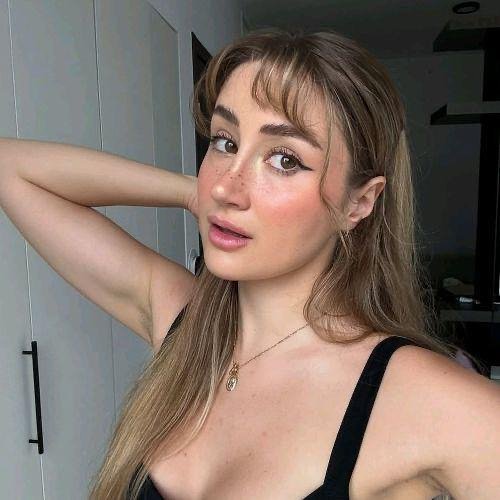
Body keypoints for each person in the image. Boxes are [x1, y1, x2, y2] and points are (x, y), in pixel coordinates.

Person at [0, 27, 498, 500]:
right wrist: (191, 194)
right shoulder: (186, 329)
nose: (226, 186)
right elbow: (11, 169)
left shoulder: (432, 402)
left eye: (285, 159)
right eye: (225, 142)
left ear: (359, 203)